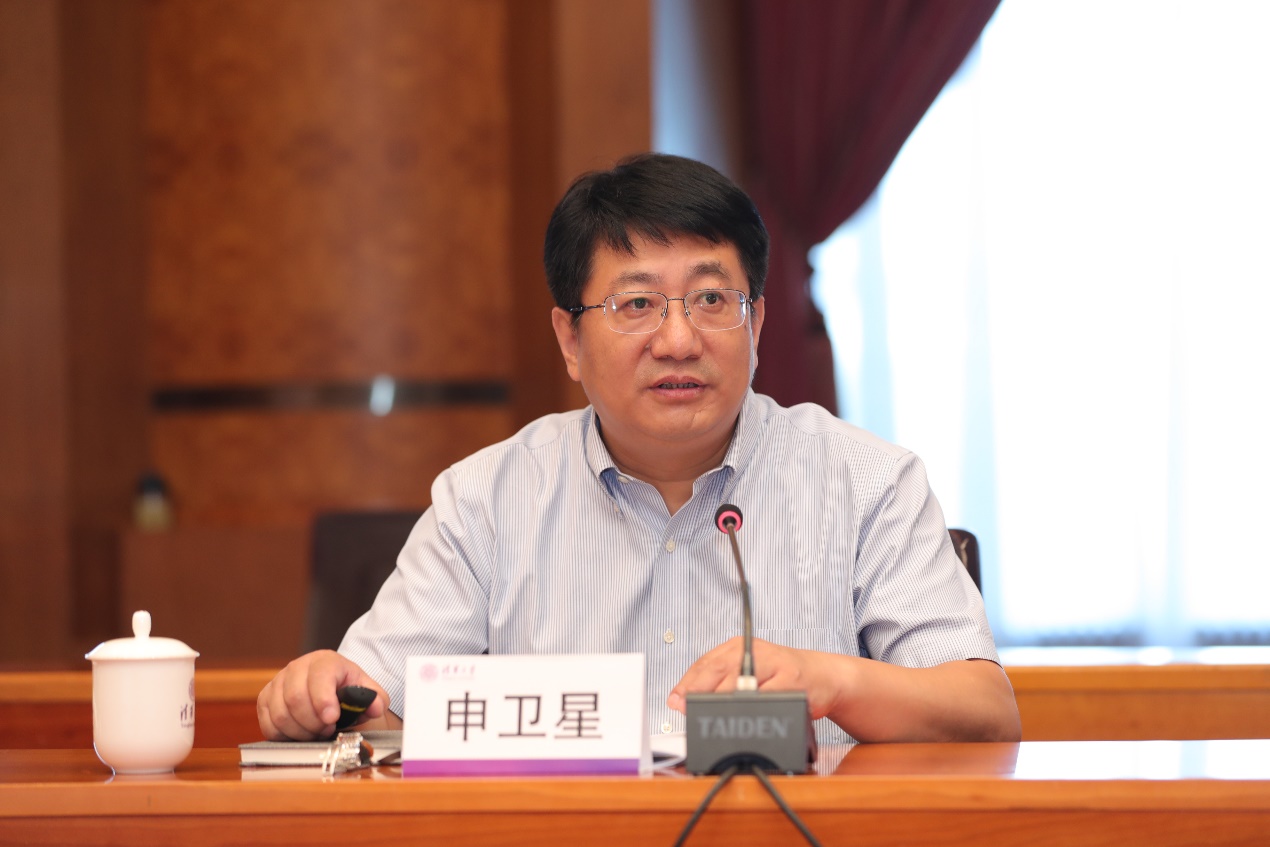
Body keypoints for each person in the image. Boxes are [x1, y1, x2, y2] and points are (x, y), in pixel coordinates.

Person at [257, 153, 1021, 745]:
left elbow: (985, 709)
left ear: (755, 325)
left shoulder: (868, 482)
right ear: (570, 338)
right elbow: (377, 704)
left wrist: (835, 681)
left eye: (712, 299)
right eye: (637, 303)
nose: (678, 339)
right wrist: (323, 690)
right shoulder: (485, 500)